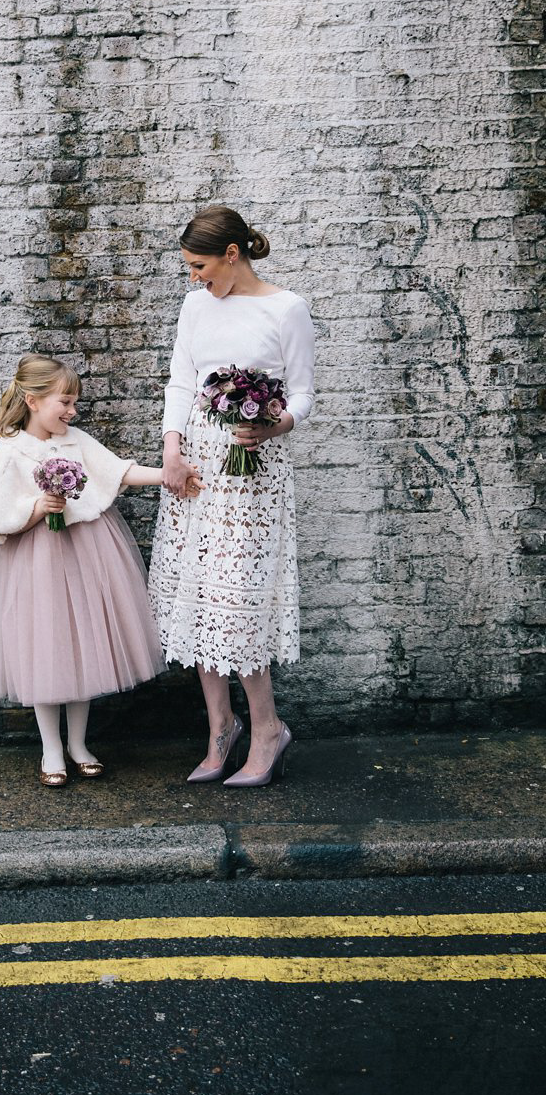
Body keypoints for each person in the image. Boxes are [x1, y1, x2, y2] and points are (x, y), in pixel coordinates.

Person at [0, 353, 201, 787]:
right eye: (66, 401)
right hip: (36, 562)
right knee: (45, 649)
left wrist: (171, 477)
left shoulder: (76, 441)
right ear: (34, 400)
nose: (73, 411)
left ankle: (78, 744)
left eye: (75, 403)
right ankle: (51, 749)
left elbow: (118, 471)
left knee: (83, 646)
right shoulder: (11, 451)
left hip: (85, 554)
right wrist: (37, 507)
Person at [148, 206, 315, 787]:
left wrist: (273, 426)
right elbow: (181, 379)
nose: (194, 277)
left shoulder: (285, 308)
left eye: (199, 265)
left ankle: (267, 729)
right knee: (194, 596)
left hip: (253, 470)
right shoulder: (195, 305)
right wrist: (171, 451)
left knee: (238, 600)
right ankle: (220, 727)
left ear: (233, 254)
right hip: (195, 465)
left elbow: (302, 394)